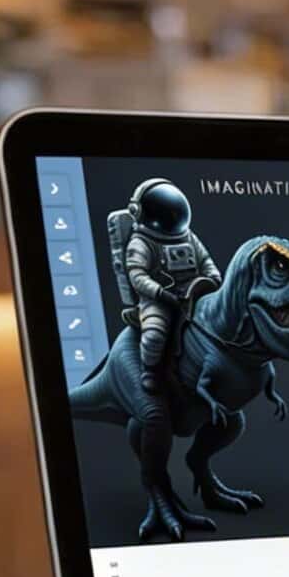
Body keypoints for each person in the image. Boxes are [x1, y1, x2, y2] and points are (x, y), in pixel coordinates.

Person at [120, 179, 220, 429]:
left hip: (194, 291)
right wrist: (161, 294)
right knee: (155, 334)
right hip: (159, 298)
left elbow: (205, 259)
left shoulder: (187, 236)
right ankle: (151, 371)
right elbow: (137, 276)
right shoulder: (141, 242)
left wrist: (214, 278)